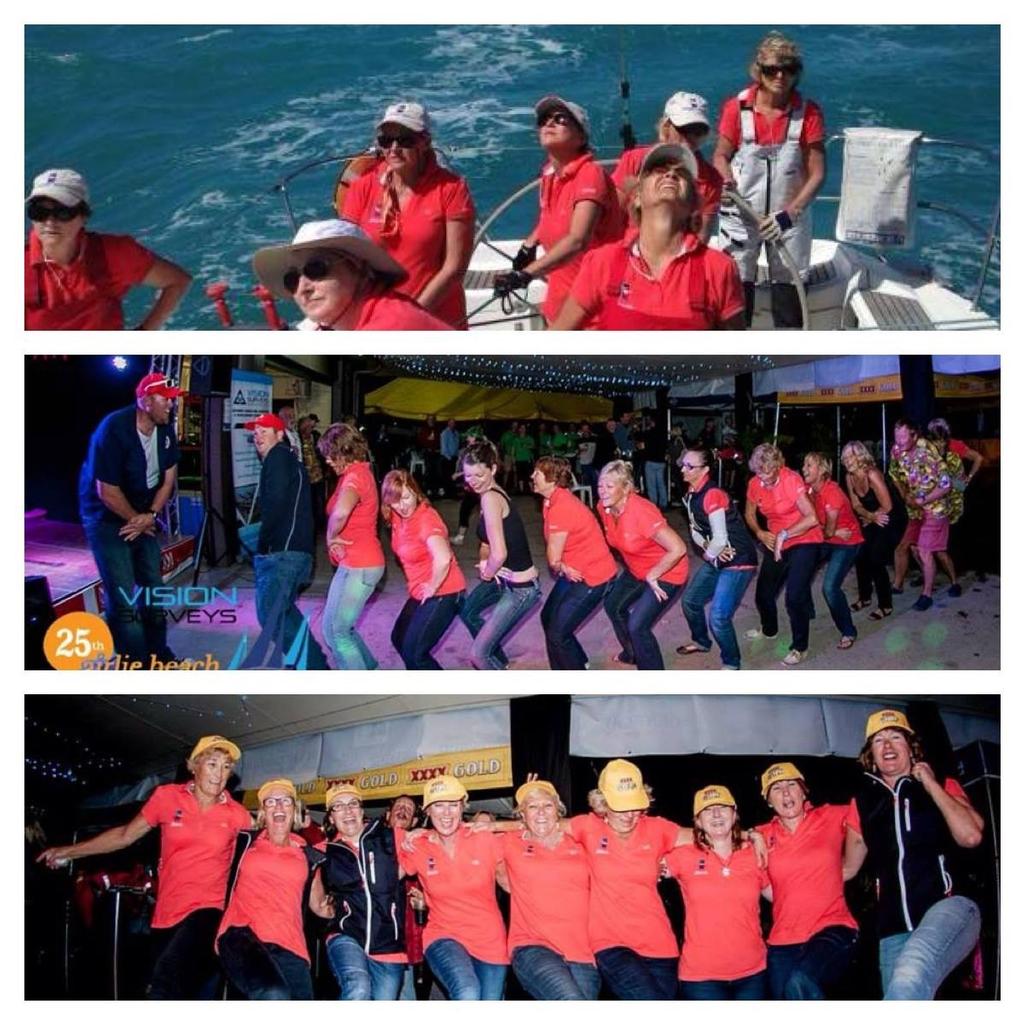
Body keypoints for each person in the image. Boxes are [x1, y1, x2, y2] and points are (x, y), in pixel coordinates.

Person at [37, 736, 251, 998]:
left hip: (210, 912)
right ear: (193, 766)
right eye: (213, 764)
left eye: (226, 766)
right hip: (167, 915)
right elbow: (125, 834)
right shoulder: (166, 797)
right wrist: (69, 851)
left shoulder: (237, 815)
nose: (219, 774)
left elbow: (264, 849)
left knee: (165, 987)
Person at [844, 709, 984, 999]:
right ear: (870, 753)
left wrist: (930, 783)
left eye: (896, 737)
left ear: (911, 747)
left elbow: (971, 836)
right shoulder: (863, 804)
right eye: (878, 740)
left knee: (909, 976)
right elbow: (847, 869)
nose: (887, 745)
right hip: (892, 927)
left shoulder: (943, 785)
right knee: (899, 995)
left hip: (948, 907)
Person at [553, 144, 745, 330]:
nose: (671, 174)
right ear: (636, 197)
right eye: (659, 170)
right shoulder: (602, 262)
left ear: (693, 205)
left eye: (682, 173)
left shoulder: (719, 268)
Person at [713, 32, 826, 328]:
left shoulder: (808, 113)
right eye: (771, 69)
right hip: (740, 215)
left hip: (788, 219)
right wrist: (725, 182)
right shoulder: (736, 108)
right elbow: (720, 156)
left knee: (790, 296)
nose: (780, 76)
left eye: (788, 69)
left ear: (796, 73)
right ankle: (738, 365)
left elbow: (817, 173)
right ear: (758, 70)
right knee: (735, 298)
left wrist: (790, 214)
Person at [77, 371, 183, 664]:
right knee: (123, 595)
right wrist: (137, 520)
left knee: (154, 589)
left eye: (173, 401)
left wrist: (148, 516)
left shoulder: (164, 429)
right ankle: (135, 661)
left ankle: (159, 654)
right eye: (166, 400)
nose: (171, 406)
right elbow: (106, 491)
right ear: (145, 401)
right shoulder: (113, 428)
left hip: (142, 515)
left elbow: (168, 480)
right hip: (107, 518)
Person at [342, 101, 475, 328]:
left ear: (425, 142)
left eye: (405, 140)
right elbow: (346, 256)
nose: (393, 148)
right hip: (377, 321)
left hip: (435, 319)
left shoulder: (451, 189)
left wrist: (411, 316)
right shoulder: (362, 187)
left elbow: (455, 267)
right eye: (386, 140)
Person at [494, 95, 624, 325]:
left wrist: (524, 275)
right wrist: (530, 244)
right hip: (559, 305)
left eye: (560, 119)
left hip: (593, 314)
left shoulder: (590, 175)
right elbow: (551, 215)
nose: (549, 124)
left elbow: (577, 240)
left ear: (581, 136)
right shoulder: (548, 174)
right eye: (544, 120)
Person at [25, 168, 191, 330]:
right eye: (39, 212)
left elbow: (176, 281)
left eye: (62, 213)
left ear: (84, 216)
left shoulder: (114, 253)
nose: (50, 221)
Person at [397, 776, 509, 1000]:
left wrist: (499, 825)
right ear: (427, 811)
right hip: (443, 935)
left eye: (453, 805)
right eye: (438, 805)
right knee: (467, 992)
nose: (446, 813)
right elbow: (380, 876)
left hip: (490, 941)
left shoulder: (484, 839)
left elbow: (512, 884)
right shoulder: (417, 845)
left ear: (462, 807)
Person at [758, 762, 859, 1000]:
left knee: (801, 981)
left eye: (791, 785)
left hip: (832, 927)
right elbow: (770, 891)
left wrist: (852, 865)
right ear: (769, 801)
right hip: (783, 940)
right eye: (776, 788)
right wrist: (751, 834)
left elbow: (871, 808)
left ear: (804, 791)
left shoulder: (832, 815)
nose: (785, 793)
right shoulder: (761, 835)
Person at [217, 778, 321, 1000]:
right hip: (243, 936)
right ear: (263, 812)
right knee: (273, 994)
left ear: (295, 811)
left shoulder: (309, 856)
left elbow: (320, 905)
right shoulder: (244, 842)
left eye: (285, 801)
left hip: (292, 945)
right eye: (271, 802)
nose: (279, 806)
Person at [666, 785, 770, 999]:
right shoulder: (683, 856)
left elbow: (783, 898)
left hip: (753, 972)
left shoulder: (755, 854)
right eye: (707, 809)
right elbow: (642, 865)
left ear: (734, 815)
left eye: (722, 807)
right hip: (700, 977)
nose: (715, 814)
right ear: (697, 822)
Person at [253, 219, 451, 330]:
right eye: (292, 280)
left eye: (316, 269)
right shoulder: (354, 318)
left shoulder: (389, 326)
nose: (303, 288)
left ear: (362, 270)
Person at [501, 778, 599, 1000]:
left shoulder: (581, 842)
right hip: (532, 946)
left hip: (583, 951)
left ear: (559, 810)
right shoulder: (509, 842)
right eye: (532, 807)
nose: (541, 813)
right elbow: (464, 838)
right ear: (522, 816)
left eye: (547, 805)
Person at [246, 412, 329, 668]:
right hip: (295, 553)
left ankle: (314, 667)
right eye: (255, 431)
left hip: (283, 554)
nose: (257, 435)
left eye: (264, 430)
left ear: (279, 434)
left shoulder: (278, 457)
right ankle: (303, 663)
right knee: (283, 612)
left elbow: (276, 504)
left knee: (271, 615)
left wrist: (262, 545)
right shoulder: (286, 458)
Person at [311, 783, 408, 999]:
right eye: (338, 806)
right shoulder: (322, 852)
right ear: (330, 818)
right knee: (358, 988)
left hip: (388, 943)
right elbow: (311, 896)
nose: (347, 811)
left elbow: (435, 841)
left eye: (353, 804)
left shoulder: (391, 837)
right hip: (346, 935)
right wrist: (322, 908)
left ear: (362, 810)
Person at [458, 441, 541, 670]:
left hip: (521, 589)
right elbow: (489, 540)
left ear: (493, 469)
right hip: (506, 579)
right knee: (468, 610)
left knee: (478, 655)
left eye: (478, 474)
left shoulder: (490, 498)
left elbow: (500, 552)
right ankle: (500, 660)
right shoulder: (488, 493)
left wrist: (487, 572)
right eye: (467, 475)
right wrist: (486, 559)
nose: (472, 481)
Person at [597, 460, 688, 670]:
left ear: (626, 488)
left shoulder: (642, 512)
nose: (603, 491)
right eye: (600, 485)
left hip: (667, 572)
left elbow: (678, 548)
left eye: (609, 486)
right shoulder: (604, 507)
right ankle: (632, 653)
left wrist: (653, 574)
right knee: (613, 605)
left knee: (638, 626)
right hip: (637, 569)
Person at [532, 456, 618, 669]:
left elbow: (554, 559)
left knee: (557, 633)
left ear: (551, 480)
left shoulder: (561, 507)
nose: (532, 476)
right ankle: (576, 664)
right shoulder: (550, 500)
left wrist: (561, 565)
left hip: (592, 577)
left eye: (537, 473)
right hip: (574, 571)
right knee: (549, 617)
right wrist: (564, 566)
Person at [677, 447, 758, 669]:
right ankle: (702, 642)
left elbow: (721, 539)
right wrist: (709, 549)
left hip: (738, 559)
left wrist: (709, 553)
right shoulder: (690, 494)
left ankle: (732, 663)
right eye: (682, 464)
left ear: (704, 470)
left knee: (719, 618)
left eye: (689, 466)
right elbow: (694, 530)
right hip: (717, 556)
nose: (683, 469)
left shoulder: (712, 494)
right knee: (690, 601)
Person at [744, 443, 823, 666]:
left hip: (804, 538)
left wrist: (785, 534)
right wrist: (760, 532)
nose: (763, 478)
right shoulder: (755, 482)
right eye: (758, 473)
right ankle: (769, 630)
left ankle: (800, 647)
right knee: (763, 594)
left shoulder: (791, 480)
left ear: (778, 466)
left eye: (767, 473)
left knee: (794, 596)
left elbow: (812, 518)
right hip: (775, 540)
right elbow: (749, 512)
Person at [381, 469, 466, 669]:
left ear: (416, 492)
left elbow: (443, 558)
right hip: (420, 591)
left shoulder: (426, 518)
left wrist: (432, 586)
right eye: (395, 501)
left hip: (445, 591)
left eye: (406, 498)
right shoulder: (396, 516)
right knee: (399, 639)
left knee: (415, 654)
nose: (402, 506)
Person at [611, 91, 723, 243]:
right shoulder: (634, 160)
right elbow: (612, 216)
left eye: (698, 131)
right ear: (666, 126)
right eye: (684, 129)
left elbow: (701, 235)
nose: (691, 137)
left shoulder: (712, 179)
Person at [318, 422, 386, 670]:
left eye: (329, 455)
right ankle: (370, 669)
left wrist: (330, 537)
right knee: (332, 629)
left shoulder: (355, 476)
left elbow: (340, 513)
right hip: (354, 564)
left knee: (338, 634)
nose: (326, 461)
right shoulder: (355, 473)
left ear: (341, 452)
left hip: (361, 565)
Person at [887, 420, 953, 611]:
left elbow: (946, 484)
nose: (898, 441)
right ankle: (909, 581)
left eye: (903, 437)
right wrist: (904, 494)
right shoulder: (896, 450)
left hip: (935, 507)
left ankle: (927, 594)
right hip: (914, 510)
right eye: (896, 436)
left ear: (915, 435)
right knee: (909, 548)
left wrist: (924, 499)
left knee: (925, 550)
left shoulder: (928, 451)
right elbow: (894, 474)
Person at [803, 452, 864, 650]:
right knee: (800, 567)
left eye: (809, 465)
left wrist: (831, 531)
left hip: (847, 542)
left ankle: (848, 631)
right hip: (831, 537)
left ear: (822, 471)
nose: (804, 468)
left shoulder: (832, 493)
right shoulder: (809, 489)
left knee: (829, 587)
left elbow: (827, 531)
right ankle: (807, 611)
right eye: (804, 464)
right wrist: (832, 531)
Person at [841, 440, 894, 620]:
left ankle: (885, 604)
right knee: (861, 554)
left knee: (876, 558)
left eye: (851, 456)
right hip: (872, 516)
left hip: (890, 515)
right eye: (845, 457)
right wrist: (869, 516)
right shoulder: (849, 477)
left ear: (861, 456)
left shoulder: (872, 474)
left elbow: (887, 505)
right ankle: (865, 597)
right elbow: (855, 504)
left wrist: (871, 517)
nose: (847, 460)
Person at [927, 417, 980, 596]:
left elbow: (978, 459)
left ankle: (954, 580)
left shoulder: (955, 446)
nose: (939, 444)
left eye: (942, 440)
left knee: (947, 545)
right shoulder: (926, 450)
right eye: (935, 440)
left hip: (955, 499)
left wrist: (968, 478)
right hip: (935, 501)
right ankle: (930, 574)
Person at [298, 416, 327, 532]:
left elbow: (321, 452)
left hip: (318, 475)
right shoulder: (298, 438)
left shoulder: (315, 436)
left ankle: (320, 526)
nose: (311, 428)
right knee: (309, 503)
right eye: (309, 426)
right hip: (306, 477)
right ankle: (312, 527)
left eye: (311, 426)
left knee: (320, 502)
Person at [440, 418, 461, 498]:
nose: (452, 424)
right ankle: (448, 494)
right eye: (451, 423)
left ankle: (452, 493)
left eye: (454, 423)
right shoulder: (445, 433)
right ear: (448, 424)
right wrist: (449, 457)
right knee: (447, 477)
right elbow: (443, 447)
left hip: (454, 457)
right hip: (447, 458)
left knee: (453, 476)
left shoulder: (456, 433)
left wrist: (457, 457)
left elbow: (457, 446)